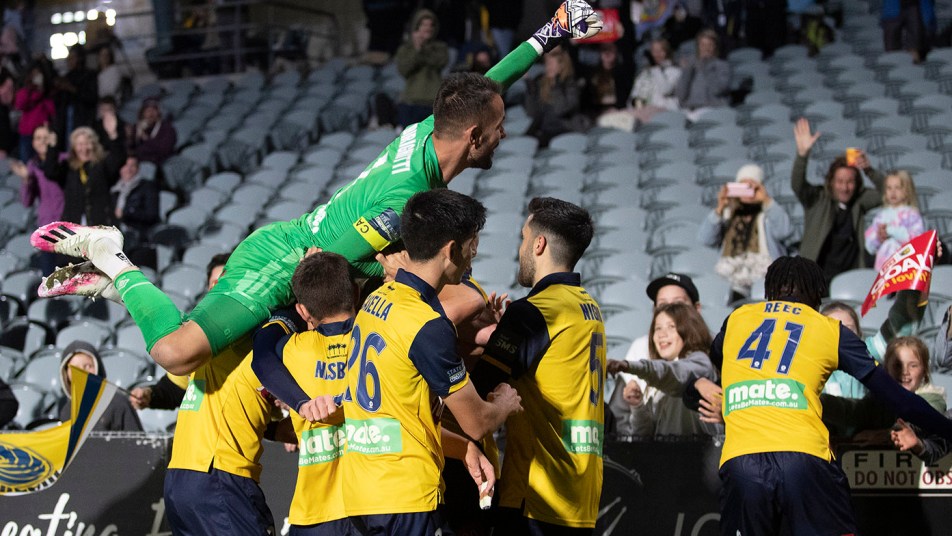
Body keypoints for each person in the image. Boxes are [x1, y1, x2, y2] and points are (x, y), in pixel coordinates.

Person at [32, 0, 602, 421]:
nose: (505, 137)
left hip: (315, 258)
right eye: (498, 130)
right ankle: (115, 256)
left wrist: (551, 31)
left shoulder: (433, 133)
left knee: (462, 306)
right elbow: (321, 269)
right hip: (285, 262)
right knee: (178, 354)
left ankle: (115, 288)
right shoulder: (403, 199)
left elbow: (485, 85)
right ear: (474, 136)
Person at [711, 256, 952, 535]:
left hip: (740, 461)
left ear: (770, 292)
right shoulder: (827, 328)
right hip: (804, 459)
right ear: (817, 296)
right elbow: (897, 398)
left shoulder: (736, 319)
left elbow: (716, 355)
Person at [341, 189, 522, 535]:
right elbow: (478, 422)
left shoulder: (375, 300)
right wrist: (504, 404)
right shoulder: (427, 325)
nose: (473, 258)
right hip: (407, 498)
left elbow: (402, 419)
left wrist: (463, 449)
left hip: (361, 494)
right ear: (452, 250)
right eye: (473, 247)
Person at [471, 197, 605, 535]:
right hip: (580, 494)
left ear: (539, 244)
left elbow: (477, 388)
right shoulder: (589, 308)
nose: (521, 248)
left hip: (535, 495)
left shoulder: (534, 311)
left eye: (523, 238)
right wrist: (505, 333)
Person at [791, 118, 886, 288]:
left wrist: (868, 170)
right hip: (815, 280)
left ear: (856, 184)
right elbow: (797, 185)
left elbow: (887, 193)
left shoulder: (859, 201)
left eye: (850, 182)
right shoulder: (818, 198)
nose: (844, 187)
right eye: (839, 181)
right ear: (831, 182)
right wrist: (802, 156)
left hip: (848, 281)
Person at [129, 253, 230, 411]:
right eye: (214, 282)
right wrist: (149, 395)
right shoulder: (196, 331)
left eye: (224, 281)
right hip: (194, 434)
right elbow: (174, 390)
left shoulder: (253, 334)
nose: (218, 287)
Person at [607, 302, 717, 438]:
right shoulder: (658, 380)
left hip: (699, 456)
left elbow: (675, 373)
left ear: (689, 330)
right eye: (657, 328)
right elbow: (644, 435)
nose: (662, 334)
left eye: (671, 327)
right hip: (664, 457)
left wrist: (628, 366)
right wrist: (638, 406)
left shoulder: (700, 362)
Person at [699, 163, 793, 301]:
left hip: (767, 278)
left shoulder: (769, 213)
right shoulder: (728, 214)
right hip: (735, 279)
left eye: (752, 187)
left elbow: (785, 231)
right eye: (742, 187)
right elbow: (705, 239)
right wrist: (719, 208)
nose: (748, 192)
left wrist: (767, 201)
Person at [57, 340, 142, 431]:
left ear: (98, 368)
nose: (82, 372)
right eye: (75, 369)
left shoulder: (119, 404)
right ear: (66, 375)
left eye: (88, 366)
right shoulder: (66, 411)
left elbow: (137, 443)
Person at [12, 125, 63, 275]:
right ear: (33, 143)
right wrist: (26, 179)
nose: (42, 142)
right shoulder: (32, 166)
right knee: (49, 277)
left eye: (46, 138)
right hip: (47, 228)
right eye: (38, 138)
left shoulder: (64, 160)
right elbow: (27, 201)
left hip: (68, 226)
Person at [58, 125, 125, 227]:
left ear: (94, 145)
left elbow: (119, 158)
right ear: (73, 147)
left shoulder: (103, 166)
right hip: (73, 227)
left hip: (101, 225)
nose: (84, 148)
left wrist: (113, 136)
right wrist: (52, 146)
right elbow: (51, 171)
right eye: (80, 144)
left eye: (87, 143)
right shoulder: (67, 168)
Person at [524, 45, 588, 147]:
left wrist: (556, 86)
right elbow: (532, 113)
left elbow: (560, 109)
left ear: (562, 66)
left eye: (551, 63)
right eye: (547, 63)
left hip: (566, 130)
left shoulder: (570, 85)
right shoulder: (541, 83)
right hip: (545, 131)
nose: (548, 67)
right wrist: (531, 90)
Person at [394, 9, 449, 128]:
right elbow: (404, 69)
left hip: (433, 102)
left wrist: (423, 47)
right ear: (416, 26)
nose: (428, 28)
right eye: (424, 25)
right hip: (411, 101)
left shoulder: (440, 48)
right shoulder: (406, 49)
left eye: (431, 25)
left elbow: (439, 62)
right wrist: (416, 48)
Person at [864, 170, 924, 271]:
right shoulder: (881, 215)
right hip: (882, 268)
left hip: (906, 266)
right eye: (889, 188)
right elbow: (869, 245)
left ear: (907, 191)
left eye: (898, 188)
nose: (893, 192)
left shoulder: (912, 214)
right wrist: (879, 237)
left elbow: (917, 240)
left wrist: (889, 231)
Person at [675, 29, 731, 122]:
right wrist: (687, 70)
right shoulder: (691, 65)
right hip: (689, 109)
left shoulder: (722, 66)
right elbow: (681, 95)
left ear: (715, 47)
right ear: (698, 47)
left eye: (710, 45)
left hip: (712, 109)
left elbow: (717, 90)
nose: (706, 49)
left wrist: (705, 67)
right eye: (703, 45)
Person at [53, 45, 98, 148]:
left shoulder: (89, 75)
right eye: (69, 58)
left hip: (82, 118)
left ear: (80, 58)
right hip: (66, 120)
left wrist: (71, 88)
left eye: (73, 58)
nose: (69, 61)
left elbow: (91, 97)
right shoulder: (67, 77)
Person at [111, 156, 160, 250]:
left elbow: (152, 215)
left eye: (132, 166)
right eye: (126, 165)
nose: (128, 169)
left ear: (138, 169)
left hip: (139, 233)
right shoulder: (114, 190)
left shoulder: (147, 187)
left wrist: (125, 213)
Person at [630, 37, 681, 125]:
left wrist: (656, 69)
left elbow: (665, 90)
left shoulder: (675, 71)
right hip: (645, 117)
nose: (657, 54)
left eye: (661, 51)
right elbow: (635, 95)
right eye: (654, 51)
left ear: (667, 52)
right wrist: (640, 108)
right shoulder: (644, 74)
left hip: (667, 115)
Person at [13, 62, 54, 161]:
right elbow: (19, 105)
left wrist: (42, 92)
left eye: (39, 74)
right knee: (27, 162)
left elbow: (52, 111)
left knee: (43, 161)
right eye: (34, 74)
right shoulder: (25, 91)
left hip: (42, 135)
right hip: (27, 133)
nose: (37, 77)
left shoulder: (48, 94)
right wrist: (30, 90)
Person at [132, 97, 176, 166]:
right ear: (142, 113)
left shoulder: (167, 129)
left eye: (154, 110)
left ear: (159, 112)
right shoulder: (137, 127)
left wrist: (146, 138)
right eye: (147, 111)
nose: (150, 114)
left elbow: (164, 149)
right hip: (137, 161)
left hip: (158, 163)